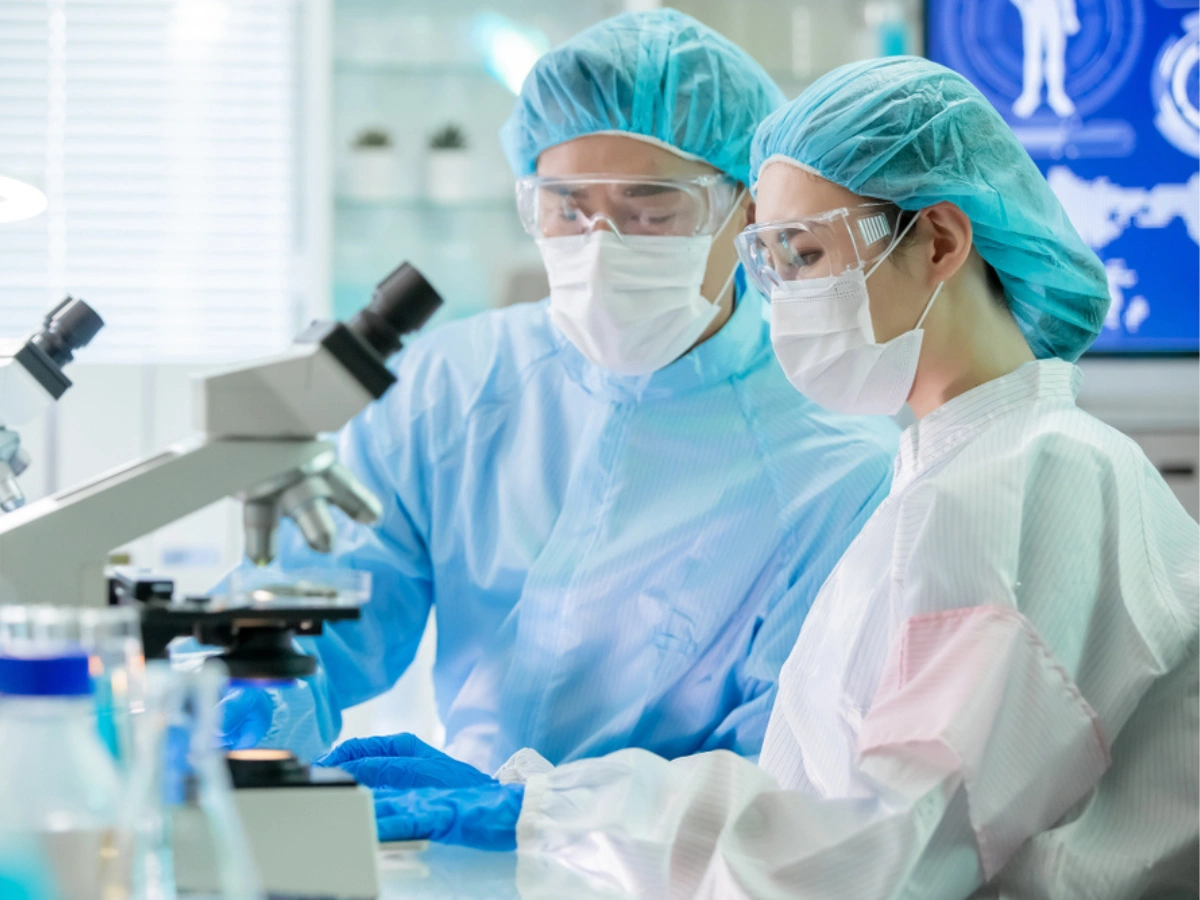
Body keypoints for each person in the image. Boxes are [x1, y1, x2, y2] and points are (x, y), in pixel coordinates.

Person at [328, 57, 1200, 899]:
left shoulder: (1032, 479)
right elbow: (818, 806)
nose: (781, 298)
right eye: (769, 262)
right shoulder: (955, 474)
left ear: (938, 239)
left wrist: (546, 813)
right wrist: (544, 811)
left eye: (807, 255)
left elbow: (877, 852)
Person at [214, 9, 898, 772]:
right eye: (567, 208)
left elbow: (781, 768)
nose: (599, 248)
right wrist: (244, 699)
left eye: (650, 210)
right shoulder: (453, 390)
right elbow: (331, 612)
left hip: (671, 876)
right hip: (455, 850)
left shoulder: (830, 461)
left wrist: (540, 816)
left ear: (746, 209)